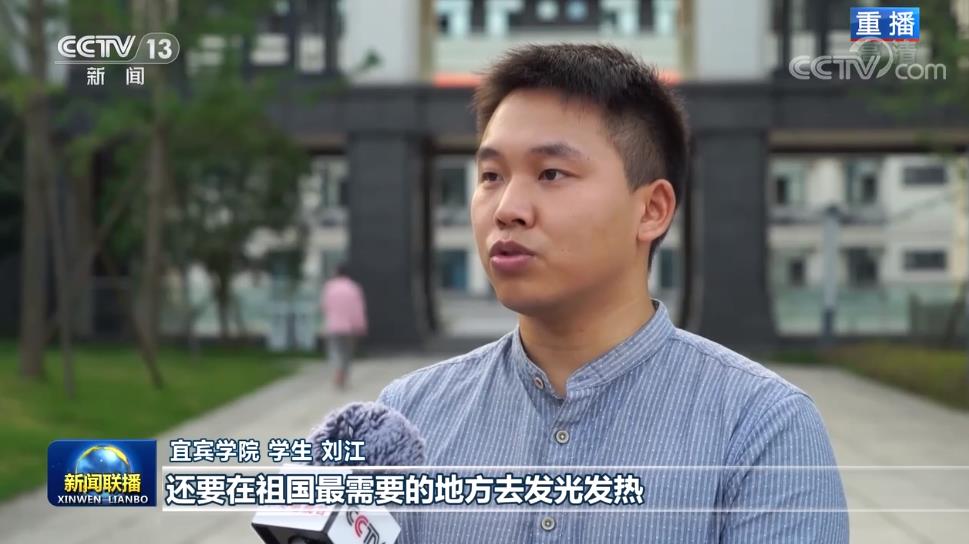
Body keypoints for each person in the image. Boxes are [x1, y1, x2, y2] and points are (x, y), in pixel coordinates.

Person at [377, 44, 848, 542]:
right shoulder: (408, 415)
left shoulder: (761, 427)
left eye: (551, 173)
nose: (507, 209)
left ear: (652, 210)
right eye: (491, 176)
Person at [320, 264, 367, 389]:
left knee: (335, 350)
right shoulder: (353, 288)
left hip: (333, 325)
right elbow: (358, 309)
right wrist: (360, 326)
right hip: (349, 327)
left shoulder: (330, 287)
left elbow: (324, 306)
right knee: (347, 352)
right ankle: (344, 375)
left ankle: (338, 371)